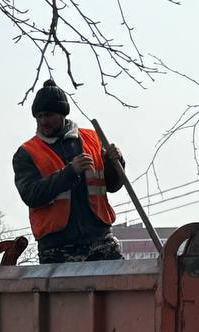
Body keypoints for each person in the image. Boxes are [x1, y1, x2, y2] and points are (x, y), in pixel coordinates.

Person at [13, 79, 127, 264]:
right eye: (39, 116)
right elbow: (31, 195)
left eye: (48, 115)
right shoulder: (27, 153)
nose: (43, 121)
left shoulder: (92, 139)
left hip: (100, 241)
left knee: (123, 288)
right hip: (57, 249)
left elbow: (113, 185)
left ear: (62, 114)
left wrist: (115, 162)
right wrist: (70, 172)